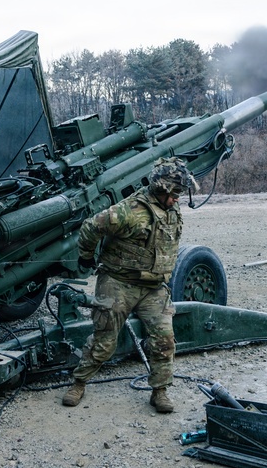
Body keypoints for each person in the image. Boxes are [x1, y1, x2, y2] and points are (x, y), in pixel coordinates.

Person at [62, 157, 197, 414]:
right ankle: (78, 383)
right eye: (174, 193)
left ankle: (159, 391)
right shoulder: (129, 211)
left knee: (164, 340)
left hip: (153, 287)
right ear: (161, 188)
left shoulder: (169, 206)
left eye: (179, 194)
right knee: (104, 342)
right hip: (119, 283)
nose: (177, 199)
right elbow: (91, 226)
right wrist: (86, 257)